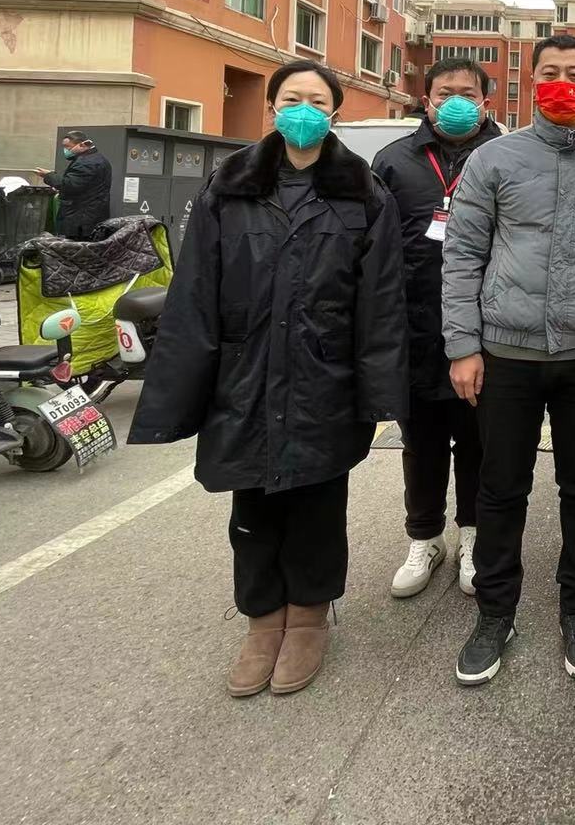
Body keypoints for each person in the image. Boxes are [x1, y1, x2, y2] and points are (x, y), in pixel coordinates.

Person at [128, 60, 407, 698]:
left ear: (334, 113)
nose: (304, 110)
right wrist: (181, 390)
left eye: (317, 101)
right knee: (251, 502)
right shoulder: (229, 187)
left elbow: (381, 301)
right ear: (273, 108)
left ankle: (307, 617)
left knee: (317, 501)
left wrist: (379, 391)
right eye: (292, 98)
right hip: (244, 373)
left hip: (323, 375)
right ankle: (262, 619)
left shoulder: (364, 193)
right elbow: (195, 291)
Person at [441, 35, 575, 687]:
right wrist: (462, 346)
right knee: (501, 487)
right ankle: (494, 614)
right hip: (506, 353)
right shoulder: (493, 159)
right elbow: (462, 255)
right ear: (531, 83)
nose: (563, 83)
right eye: (550, 72)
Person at [373, 59, 504, 601]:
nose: (456, 102)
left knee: (477, 442)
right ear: (426, 101)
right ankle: (424, 538)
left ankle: (472, 536)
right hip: (413, 327)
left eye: (467, 94)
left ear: (486, 103)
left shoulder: (505, 156)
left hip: (482, 326)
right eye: (445, 93)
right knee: (421, 443)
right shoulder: (393, 160)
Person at [41, 131, 112, 240]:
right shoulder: (97, 159)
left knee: (77, 247)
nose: (65, 150)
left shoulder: (87, 163)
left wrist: (48, 176)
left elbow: (70, 185)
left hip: (81, 221)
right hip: (90, 217)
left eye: (68, 147)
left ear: (82, 145)